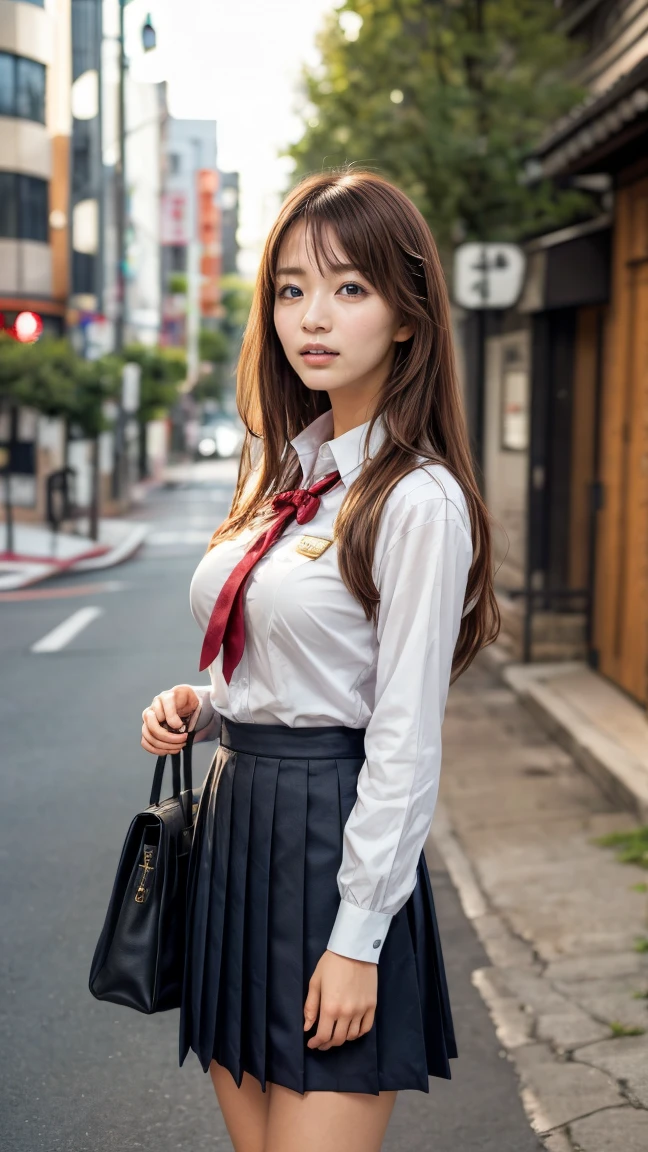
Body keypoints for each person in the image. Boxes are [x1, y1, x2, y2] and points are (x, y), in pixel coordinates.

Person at [141, 169, 499, 1152]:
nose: (313, 315)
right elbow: (297, 658)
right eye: (292, 288)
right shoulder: (287, 478)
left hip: (331, 847)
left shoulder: (416, 500)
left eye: (350, 288)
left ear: (409, 318)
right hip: (234, 834)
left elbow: (401, 735)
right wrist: (205, 706)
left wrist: (356, 942)